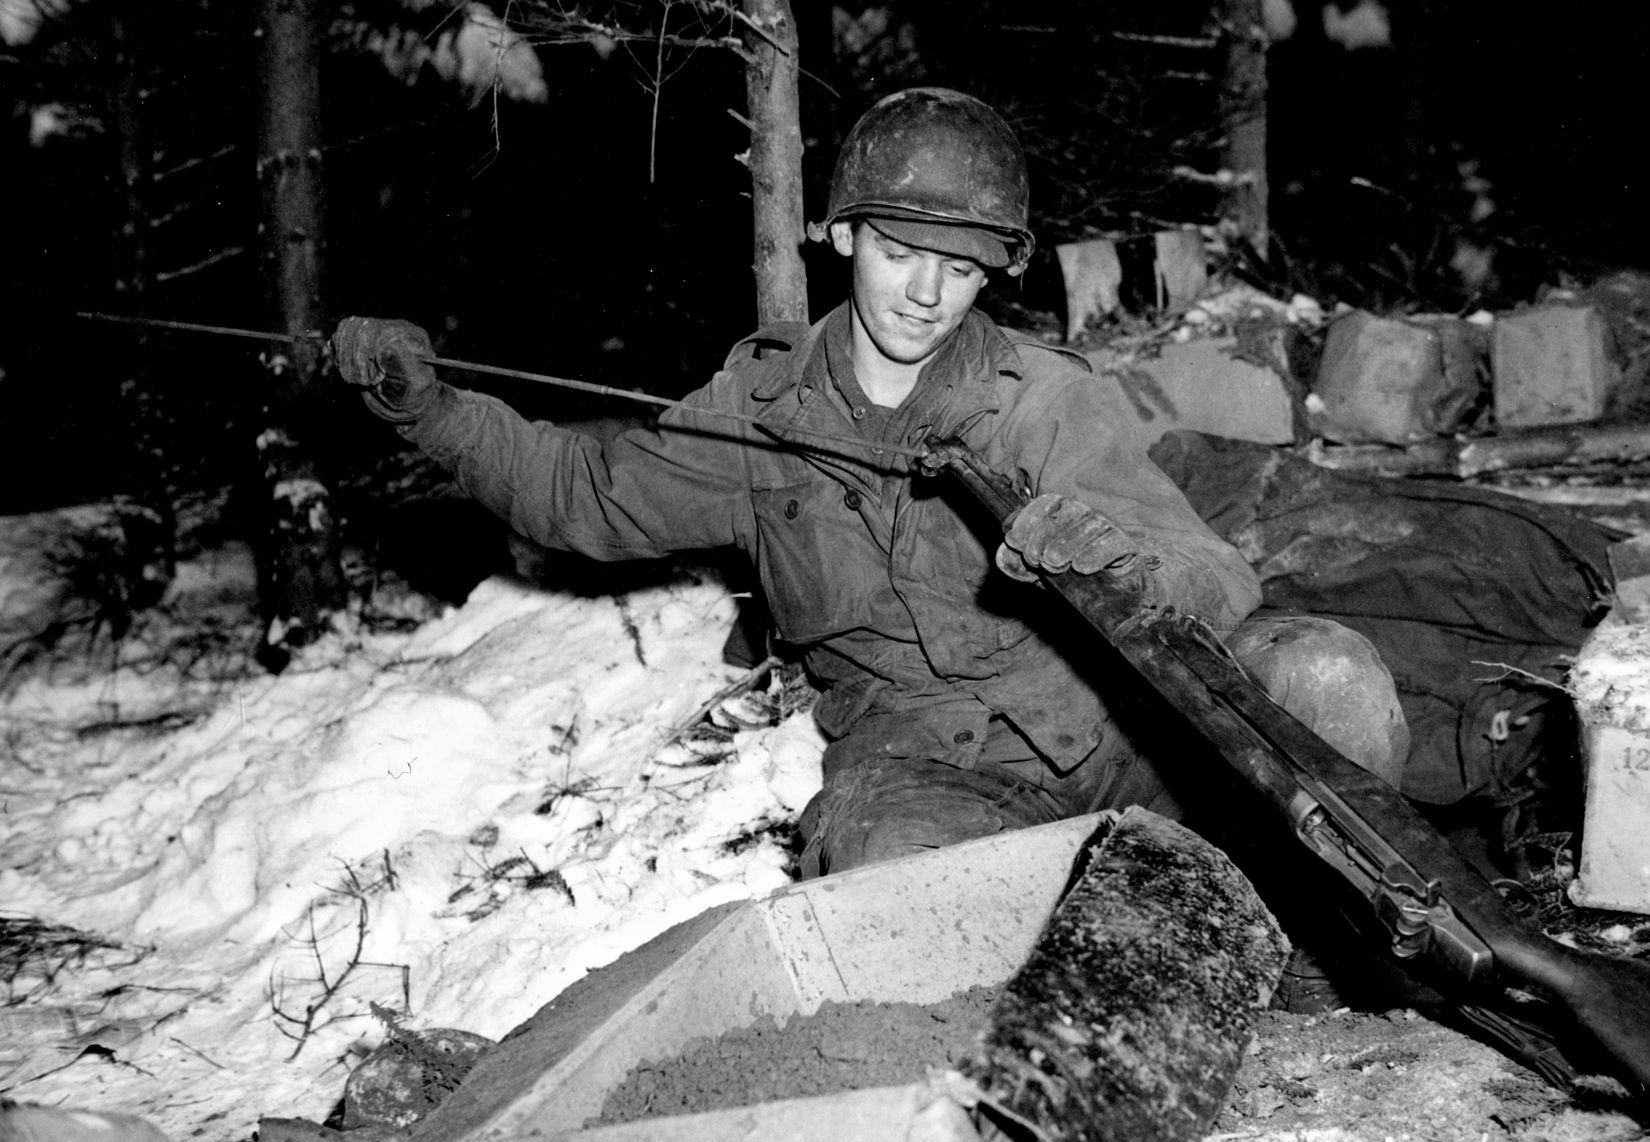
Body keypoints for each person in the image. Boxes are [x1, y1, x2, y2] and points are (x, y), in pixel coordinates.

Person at [332, 85, 1409, 883]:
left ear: (994, 271)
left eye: (964, 264)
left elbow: (1211, 574)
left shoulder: (1039, 396)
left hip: (1122, 731)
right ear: (845, 234)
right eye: (901, 251)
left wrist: (1120, 566)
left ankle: (1320, 978)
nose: (929, 292)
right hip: (932, 768)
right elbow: (577, 490)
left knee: (1323, 680)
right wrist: (430, 410)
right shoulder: (760, 416)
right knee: (884, 863)